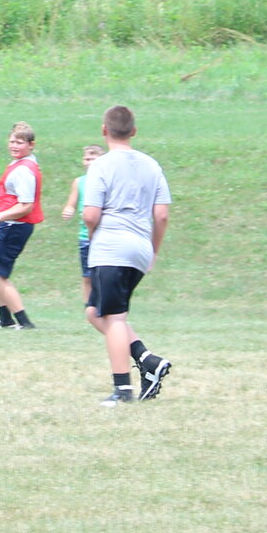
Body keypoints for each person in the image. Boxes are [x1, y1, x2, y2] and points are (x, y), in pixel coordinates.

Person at [82, 105, 172, 403]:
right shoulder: (152, 166)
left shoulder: (101, 166)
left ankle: (122, 389)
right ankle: (147, 361)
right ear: (133, 131)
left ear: (104, 130)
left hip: (111, 247)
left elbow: (91, 215)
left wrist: (96, 239)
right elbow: (161, 216)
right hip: (139, 247)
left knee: (114, 317)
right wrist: (153, 251)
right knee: (95, 312)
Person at [0, 122, 43, 329]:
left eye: (20, 142)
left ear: (31, 145)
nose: (14, 146)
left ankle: (24, 322)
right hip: (8, 222)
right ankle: (5, 318)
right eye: (12, 141)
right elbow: (14, 198)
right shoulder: (18, 164)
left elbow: (26, 205)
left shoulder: (24, 170)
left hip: (14, 225)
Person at [61, 145, 103, 311]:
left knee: (103, 273)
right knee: (87, 275)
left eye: (93, 159)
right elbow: (71, 203)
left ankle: (103, 304)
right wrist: (68, 209)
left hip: (103, 235)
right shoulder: (79, 182)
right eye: (87, 159)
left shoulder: (105, 181)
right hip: (85, 236)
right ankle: (89, 306)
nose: (89, 162)